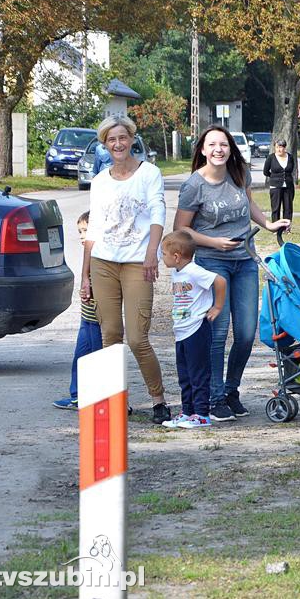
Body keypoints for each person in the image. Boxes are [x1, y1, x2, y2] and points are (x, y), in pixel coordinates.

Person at [174, 124, 291, 423]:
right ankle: (214, 398)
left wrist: (268, 224)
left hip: (245, 261)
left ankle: (231, 390)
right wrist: (214, 242)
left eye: (223, 144)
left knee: (246, 333)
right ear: (202, 149)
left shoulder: (239, 174)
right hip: (213, 264)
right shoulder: (193, 186)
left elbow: (249, 203)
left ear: (230, 148)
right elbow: (181, 229)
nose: (218, 149)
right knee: (217, 333)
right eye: (212, 144)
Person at [82, 117, 170, 424]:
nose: (117, 144)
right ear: (104, 145)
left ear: (132, 139)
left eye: (122, 138)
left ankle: (158, 399)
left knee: (136, 338)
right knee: (110, 335)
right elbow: (93, 229)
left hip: (137, 262)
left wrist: (152, 253)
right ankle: (117, 401)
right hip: (103, 263)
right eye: (111, 140)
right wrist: (84, 276)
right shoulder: (99, 181)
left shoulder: (149, 173)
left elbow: (158, 212)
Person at [160, 231, 227, 430]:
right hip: (181, 330)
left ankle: (202, 414)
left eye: (163, 253)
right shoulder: (177, 272)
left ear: (176, 256)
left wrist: (217, 307)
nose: (161, 257)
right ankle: (187, 411)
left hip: (197, 328)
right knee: (185, 374)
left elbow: (220, 281)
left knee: (198, 373)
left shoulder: (194, 271)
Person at [53, 212, 103, 410]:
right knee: (80, 357)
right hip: (86, 317)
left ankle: (100, 398)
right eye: (80, 232)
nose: (82, 236)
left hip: (98, 319)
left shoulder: (101, 255)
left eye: (85, 231)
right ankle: (77, 396)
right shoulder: (87, 253)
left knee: (97, 359)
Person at [263, 139, 295, 220]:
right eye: (277, 147)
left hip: (288, 186)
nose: (279, 149)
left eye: (281, 147)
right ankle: (275, 228)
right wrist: (274, 177)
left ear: (285, 148)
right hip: (275, 186)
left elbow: (291, 169)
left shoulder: (290, 157)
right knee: (276, 208)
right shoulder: (271, 157)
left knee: (288, 208)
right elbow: (265, 171)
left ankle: (286, 228)